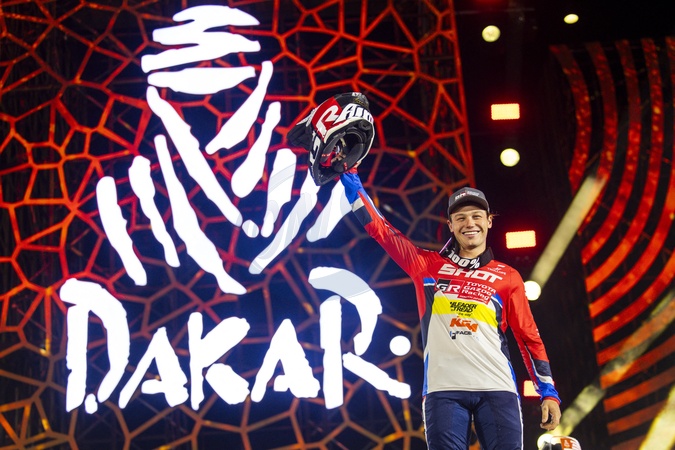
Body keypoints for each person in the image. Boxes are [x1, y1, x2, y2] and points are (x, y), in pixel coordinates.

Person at [339, 170, 562, 450]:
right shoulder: (425, 265)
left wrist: (548, 392)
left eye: (477, 216)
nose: (470, 223)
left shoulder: (507, 276)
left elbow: (528, 337)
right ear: (451, 225)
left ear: (489, 221)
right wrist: (350, 176)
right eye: (461, 218)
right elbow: (380, 230)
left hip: (497, 388)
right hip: (443, 391)